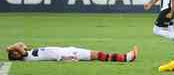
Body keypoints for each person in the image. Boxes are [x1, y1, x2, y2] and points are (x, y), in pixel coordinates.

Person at [6, 42, 138, 62]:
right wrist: (9, 49)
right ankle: (127, 57)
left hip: (66, 51)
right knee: (98, 55)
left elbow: (20, 43)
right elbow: (17, 46)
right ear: (17, 56)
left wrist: (23, 46)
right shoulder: (25, 56)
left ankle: (126, 57)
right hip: (66, 54)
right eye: (15, 54)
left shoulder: (27, 53)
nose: (18, 51)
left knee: (97, 54)